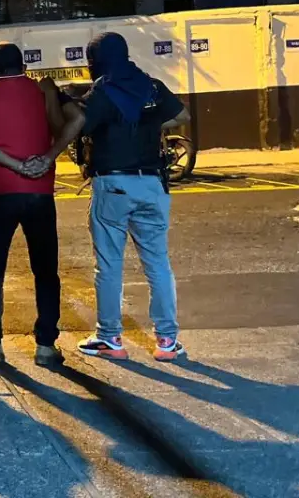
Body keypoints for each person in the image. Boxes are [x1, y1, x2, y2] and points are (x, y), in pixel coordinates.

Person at [0, 43, 85, 368]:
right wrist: (47, 158)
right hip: (39, 194)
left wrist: (15, 166)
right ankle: (46, 346)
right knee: (45, 270)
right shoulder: (43, 91)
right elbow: (78, 119)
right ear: (23, 65)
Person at [76, 32, 190, 362]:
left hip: (113, 185)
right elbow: (182, 115)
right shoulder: (150, 85)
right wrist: (149, 120)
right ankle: (167, 342)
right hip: (152, 183)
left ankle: (110, 339)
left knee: (109, 265)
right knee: (158, 263)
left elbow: (82, 125)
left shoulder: (102, 91)